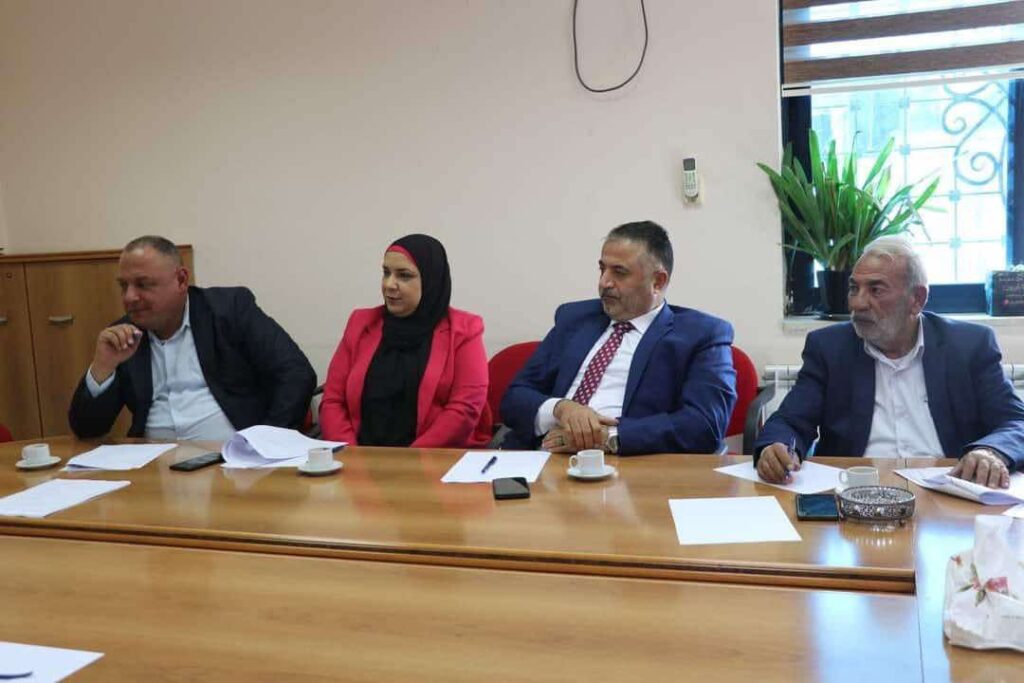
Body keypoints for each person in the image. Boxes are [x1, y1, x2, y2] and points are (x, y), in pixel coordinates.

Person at [755, 236, 1024, 489]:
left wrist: (990, 451)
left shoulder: (969, 345)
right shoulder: (829, 347)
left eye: (876, 290)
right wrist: (776, 447)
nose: (858, 303)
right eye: (854, 288)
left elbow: (1015, 422)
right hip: (856, 491)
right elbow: (790, 421)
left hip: (947, 488)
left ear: (917, 299)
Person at [499, 221, 737, 455]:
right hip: (537, 459)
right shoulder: (574, 319)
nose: (604, 282)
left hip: (628, 466)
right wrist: (560, 408)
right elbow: (514, 398)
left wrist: (606, 438)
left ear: (658, 281)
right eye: (602, 269)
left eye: (619, 272)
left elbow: (705, 424)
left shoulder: (701, 335)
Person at [69, 236, 317, 439]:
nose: (129, 297)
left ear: (181, 280)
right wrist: (102, 368)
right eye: (124, 286)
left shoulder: (229, 310)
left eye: (143, 285)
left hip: (234, 461)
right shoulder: (123, 336)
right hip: (154, 465)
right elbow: (87, 430)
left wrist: (266, 442)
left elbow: (296, 374)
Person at [319, 234, 491, 447]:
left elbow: (464, 408)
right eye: (386, 273)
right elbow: (333, 401)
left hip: (434, 458)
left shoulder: (464, 330)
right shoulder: (361, 323)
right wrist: (350, 453)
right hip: (359, 457)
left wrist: (410, 458)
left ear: (430, 280)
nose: (389, 284)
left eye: (404, 276)